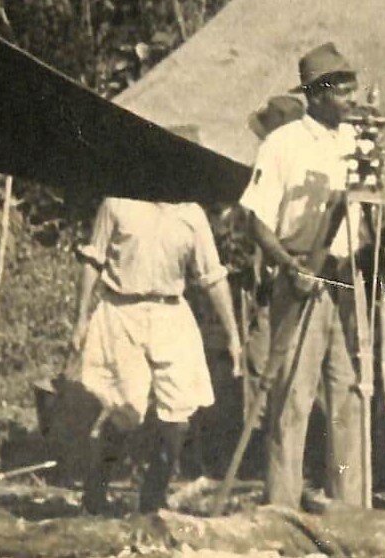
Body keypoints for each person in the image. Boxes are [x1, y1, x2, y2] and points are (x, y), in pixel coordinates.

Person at [68, 159, 244, 514]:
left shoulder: (191, 215)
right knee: (128, 407)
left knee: (178, 409)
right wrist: (80, 319)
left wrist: (233, 337)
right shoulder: (118, 203)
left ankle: (153, 499)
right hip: (122, 310)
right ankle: (95, 491)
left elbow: (213, 277)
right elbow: (93, 262)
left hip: (170, 312)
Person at [237, 41, 363, 510]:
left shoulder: (356, 143)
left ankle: (349, 508)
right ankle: (283, 508)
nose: (351, 99)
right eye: (342, 90)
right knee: (293, 399)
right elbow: (256, 220)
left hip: (344, 281)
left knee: (349, 398)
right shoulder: (282, 145)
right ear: (316, 93)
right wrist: (290, 267)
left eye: (354, 89)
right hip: (300, 276)